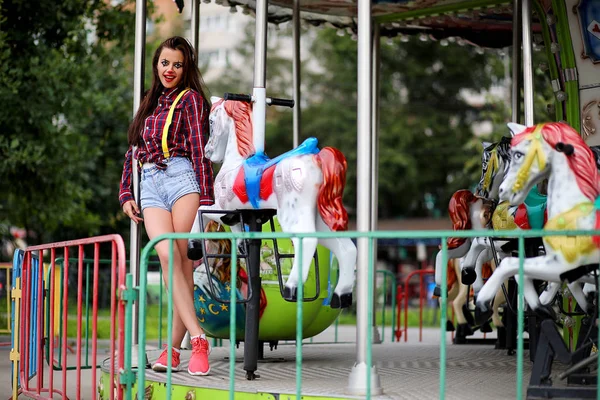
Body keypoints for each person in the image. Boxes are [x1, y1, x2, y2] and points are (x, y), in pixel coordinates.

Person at [119, 36, 214, 376]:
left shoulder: (191, 101)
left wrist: (206, 201)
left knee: (179, 262)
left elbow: (200, 152)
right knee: (168, 256)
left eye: (177, 64)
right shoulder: (150, 102)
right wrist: (126, 193)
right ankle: (194, 340)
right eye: (164, 63)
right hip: (150, 185)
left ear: (185, 68)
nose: (169, 69)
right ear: (156, 64)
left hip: (182, 179)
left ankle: (179, 348)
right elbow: (133, 152)